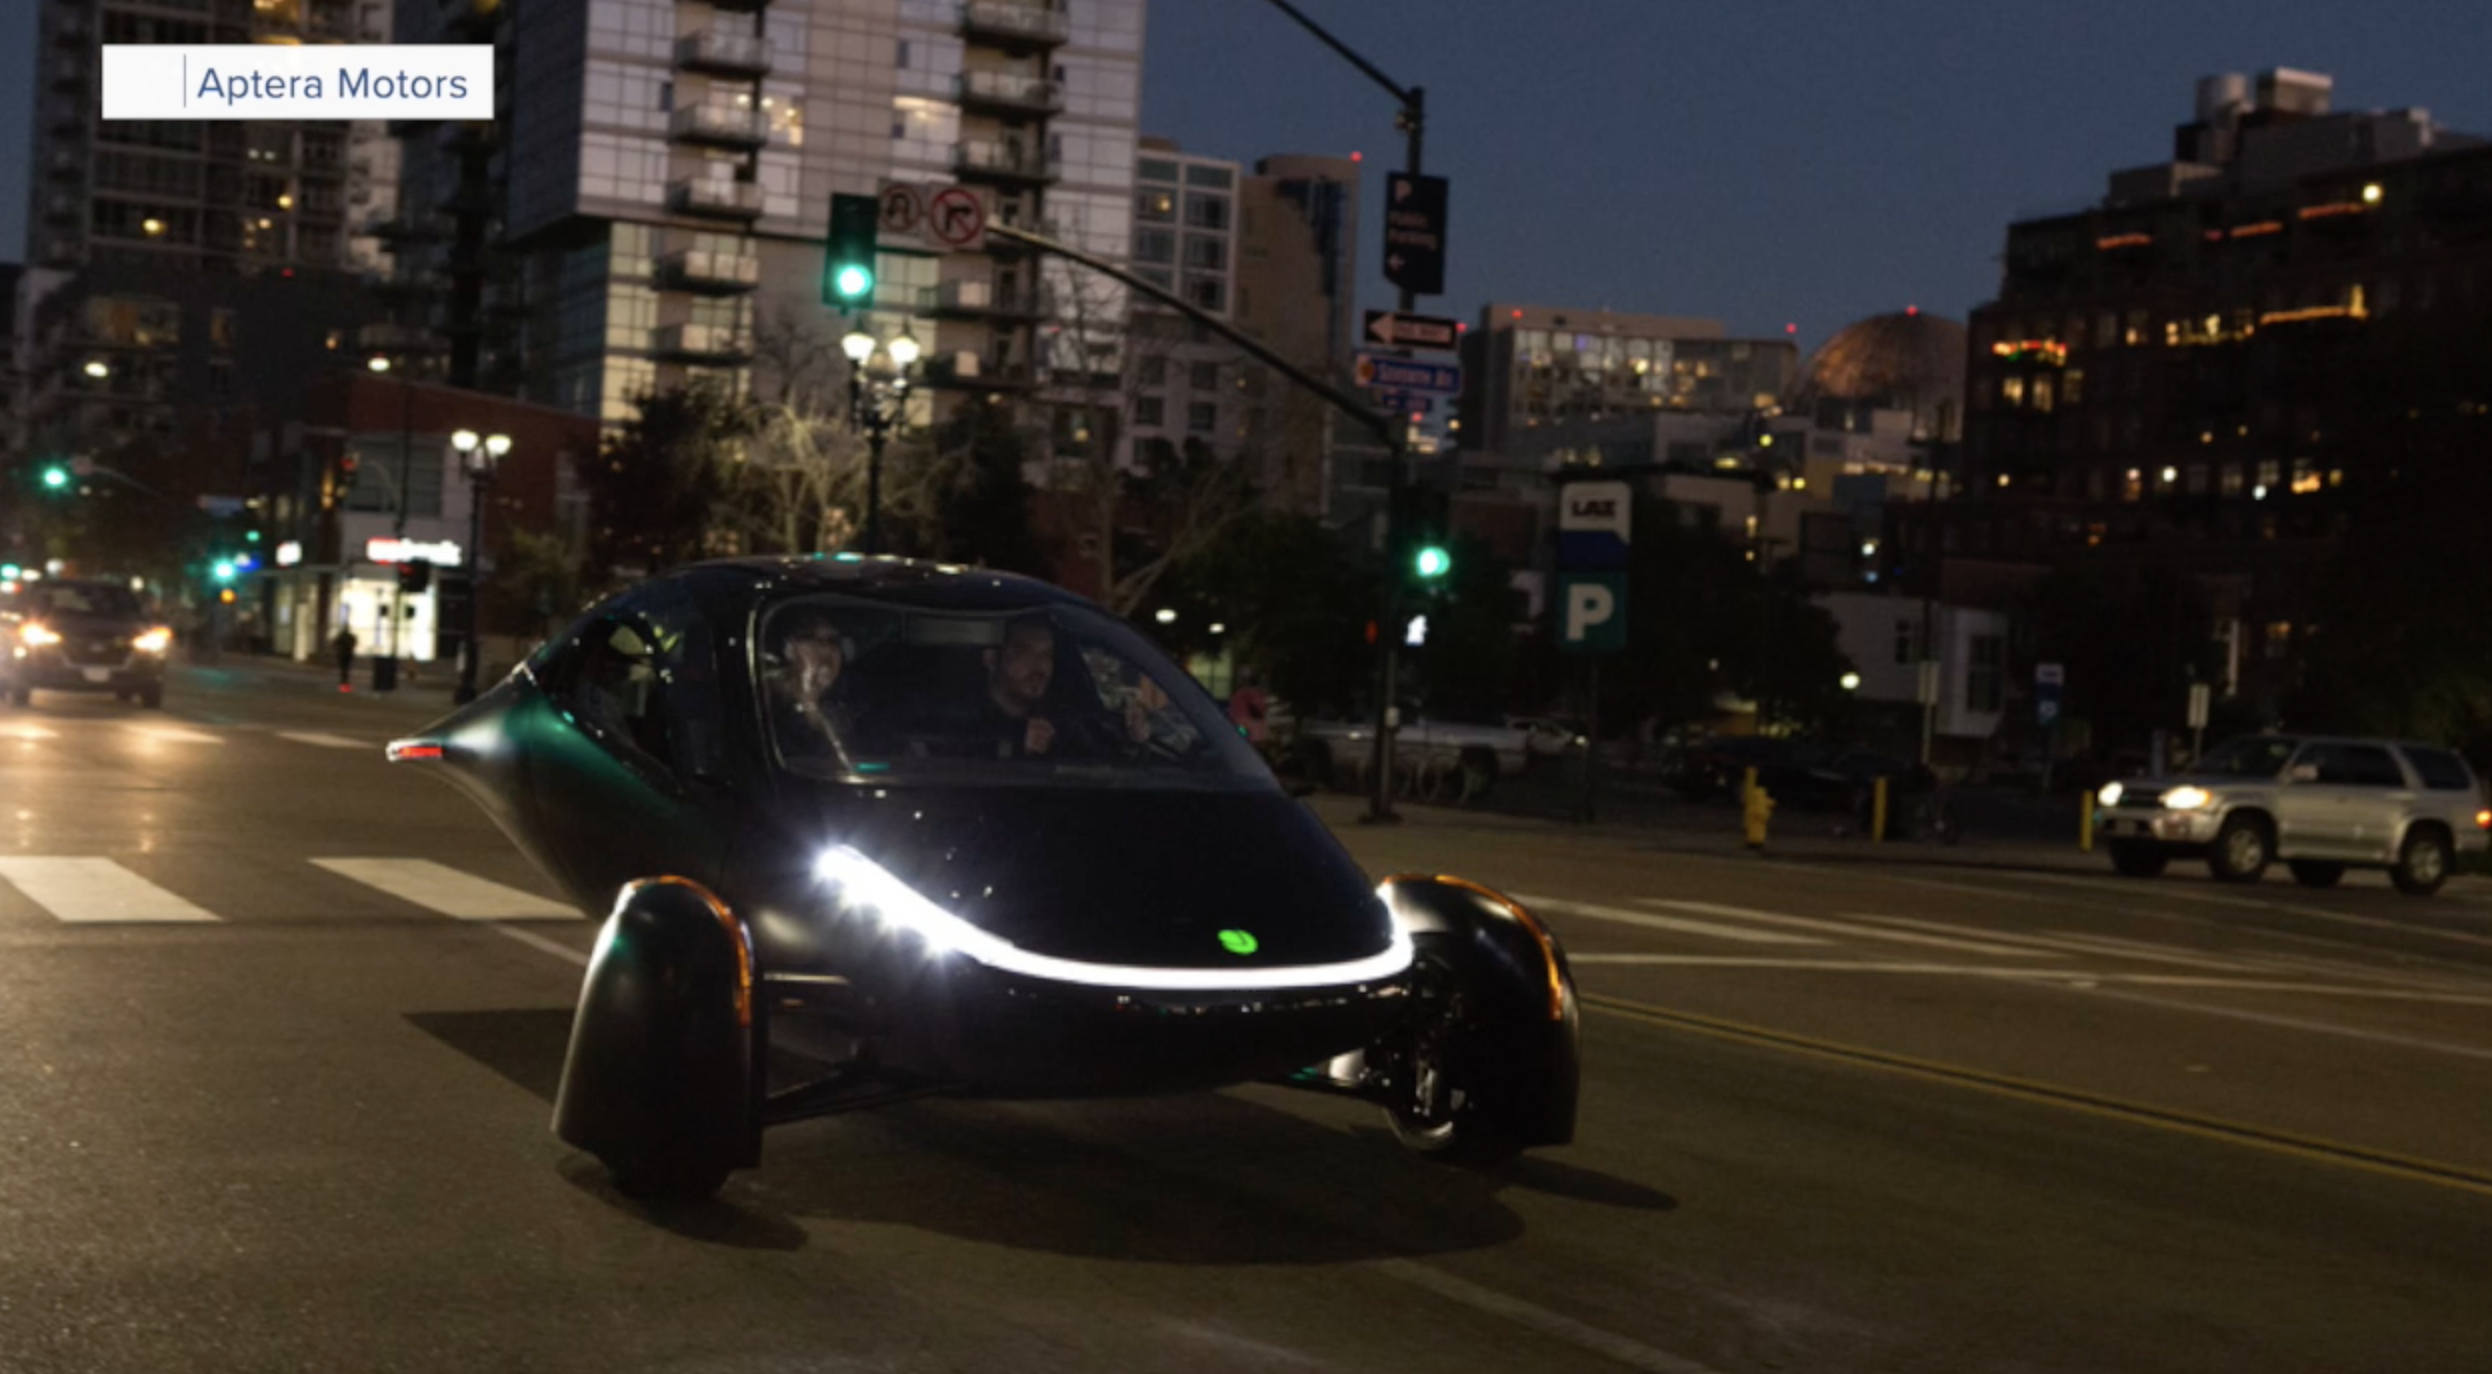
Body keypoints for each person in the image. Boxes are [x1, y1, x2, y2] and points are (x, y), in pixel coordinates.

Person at [972, 615, 1163, 759]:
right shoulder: (964, 721)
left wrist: (1134, 741)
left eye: (1047, 654)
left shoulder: (1067, 724)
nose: (1039, 666)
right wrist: (1017, 742)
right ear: (991, 659)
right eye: (1023, 652)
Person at [764, 607, 856, 767]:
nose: (827, 648)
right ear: (788, 649)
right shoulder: (768, 706)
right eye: (811, 638)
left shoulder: (842, 710)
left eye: (833, 640)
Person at [1226, 669, 1270, 748]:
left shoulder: (1239, 694)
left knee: (1243, 734)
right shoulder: (1254, 694)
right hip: (1248, 729)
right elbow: (1259, 711)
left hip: (1239, 728)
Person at [331, 624, 358, 689]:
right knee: (346, 668)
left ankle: (344, 681)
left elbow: (334, 643)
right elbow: (354, 643)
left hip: (342, 654)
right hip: (348, 654)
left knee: (343, 668)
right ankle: (345, 681)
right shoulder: (350, 637)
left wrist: (337, 649)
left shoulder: (341, 636)